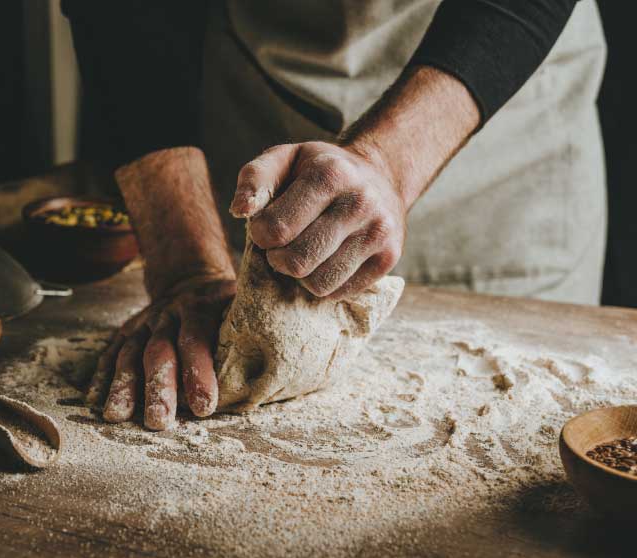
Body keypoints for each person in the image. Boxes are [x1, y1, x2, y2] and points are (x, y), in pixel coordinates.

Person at [64, 1, 606, 430]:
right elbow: (122, 13)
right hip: (260, 89)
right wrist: (186, 265)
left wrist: (387, 163)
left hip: (495, 114)